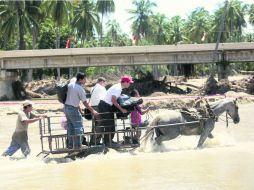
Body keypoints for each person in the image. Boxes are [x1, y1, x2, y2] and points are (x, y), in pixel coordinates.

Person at [91, 75, 133, 146]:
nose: (130, 84)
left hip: (105, 105)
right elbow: (113, 100)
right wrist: (122, 109)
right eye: (129, 82)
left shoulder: (118, 86)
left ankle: (108, 141)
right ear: (125, 82)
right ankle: (107, 142)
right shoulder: (118, 88)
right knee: (109, 125)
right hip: (104, 105)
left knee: (110, 124)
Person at [64, 72, 98, 149]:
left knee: (70, 127)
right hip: (73, 109)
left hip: (66, 108)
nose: (86, 81)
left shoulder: (69, 85)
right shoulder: (80, 89)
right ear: (80, 79)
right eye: (85, 79)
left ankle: (70, 145)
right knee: (78, 127)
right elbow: (85, 102)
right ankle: (77, 146)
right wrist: (93, 111)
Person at [89, 77, 107, 145]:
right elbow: (105, 98)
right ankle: (96, 141)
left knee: (95, 125)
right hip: (99, 107)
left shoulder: (93, 88)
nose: (105, 84)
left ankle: (92, 141)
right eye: (105, 82)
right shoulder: (101, 88)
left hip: (92, 107)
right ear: (102, 81)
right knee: (101, 124)